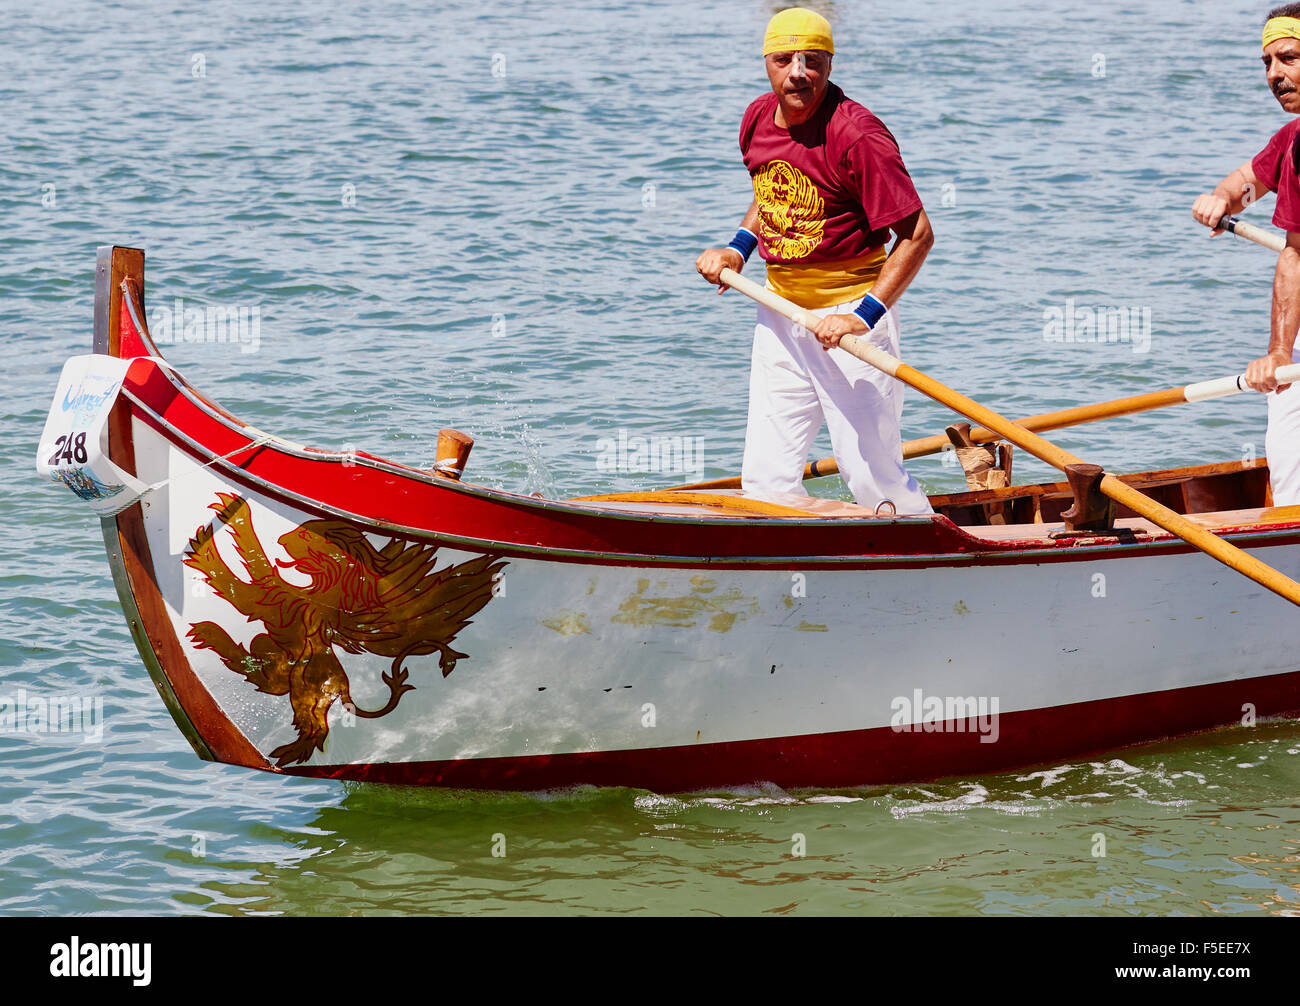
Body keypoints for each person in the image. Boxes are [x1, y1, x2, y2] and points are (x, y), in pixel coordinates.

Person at [696, 7, 934, 514]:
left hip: (849, 320)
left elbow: (917, 236)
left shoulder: (858, 136)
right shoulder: (757, 117)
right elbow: (773, 188)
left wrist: (861, 315)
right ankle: (782, 575)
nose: (798, 72)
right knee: (764, 478)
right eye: (785, 59)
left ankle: (922, 553)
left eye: (813, 61)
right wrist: (739, 248)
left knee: (872, 474)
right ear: (767, 62)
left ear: (829, 65)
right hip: (780, 311)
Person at [1192, 5, 1300, 505]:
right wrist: (1222, 199)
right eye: (1267, 62)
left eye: (1289, 58)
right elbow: (1247, 182)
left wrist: (1278, 352)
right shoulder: (1291, 140)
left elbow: (1294, 258)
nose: (1275, 75)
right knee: (1288, 466)